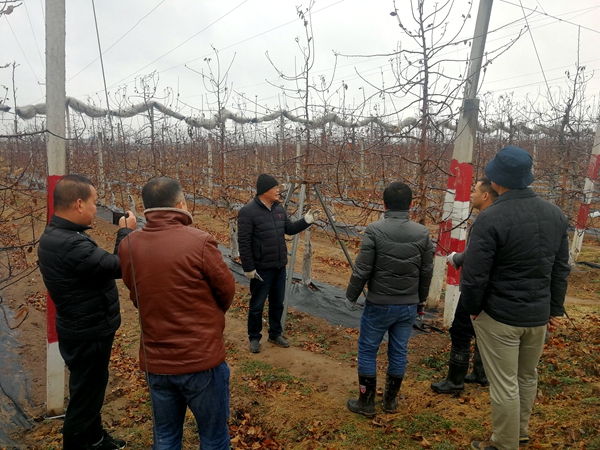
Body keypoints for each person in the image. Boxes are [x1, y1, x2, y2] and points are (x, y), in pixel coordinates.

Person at [461, 147, 571, 450]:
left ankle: (504, 444)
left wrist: (474, 310)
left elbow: (475, 275)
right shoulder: (555, 214)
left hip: (500, 316)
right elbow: (561, 268)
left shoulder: (491, 217)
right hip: (536, 315)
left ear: (496, 181)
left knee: (505, 383)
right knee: (526, 377)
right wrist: (554, 309)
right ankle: (519, 433)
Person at [118, 177, 236, 450]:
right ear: (180, 204)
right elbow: (226, 290)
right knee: (214, 437)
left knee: (167, 437)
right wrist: (210, 314)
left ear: (146, 209)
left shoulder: (129, 245)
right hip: (201, 359)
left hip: (157, 361)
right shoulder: (200, 241)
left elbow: (137, 296)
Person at [37, 174, 136, 450]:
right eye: (94, 203)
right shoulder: (71, 244)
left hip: (81, 326)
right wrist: (125, 232)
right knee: (85, 397)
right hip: (87, 332)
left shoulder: (60, 235)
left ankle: (95, 438)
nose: (97, 209)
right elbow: (118, 266)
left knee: (89, 391)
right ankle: (80, 443)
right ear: (79, 204)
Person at [344, 181, 434, 417]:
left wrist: (351, 296)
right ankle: (390, 402)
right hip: (407, 306)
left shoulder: (374, 230)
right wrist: (420, 300)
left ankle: (366, 402)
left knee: (367, 350)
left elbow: (362, 269)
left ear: (383, 204)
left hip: (379, 304)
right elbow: (426, 271)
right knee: (398, 351)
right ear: (411, 205)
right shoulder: (423, 233)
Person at [237, 173, 320, 354]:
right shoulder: (248, 212)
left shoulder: (278, 209)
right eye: (275, 188)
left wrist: (306, 221)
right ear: (264, 190)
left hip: (279, 265)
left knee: (277, 303)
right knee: (257, 304)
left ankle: (275, 333)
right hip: (261, 268)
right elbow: (243, 242)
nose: (278, 191)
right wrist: (249, 268)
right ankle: (254, 337)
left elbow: (289, 229)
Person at [431, 177, 498, 394]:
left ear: (485, 195)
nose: (470, 194)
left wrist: (458, 259)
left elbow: (477, 256)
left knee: (460, 329)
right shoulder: (500, 216)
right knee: (482, 330)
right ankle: (481, 373)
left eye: (474, 190)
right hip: (494, 287)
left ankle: (455, 382)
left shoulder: (486, 219)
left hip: (477, 286)